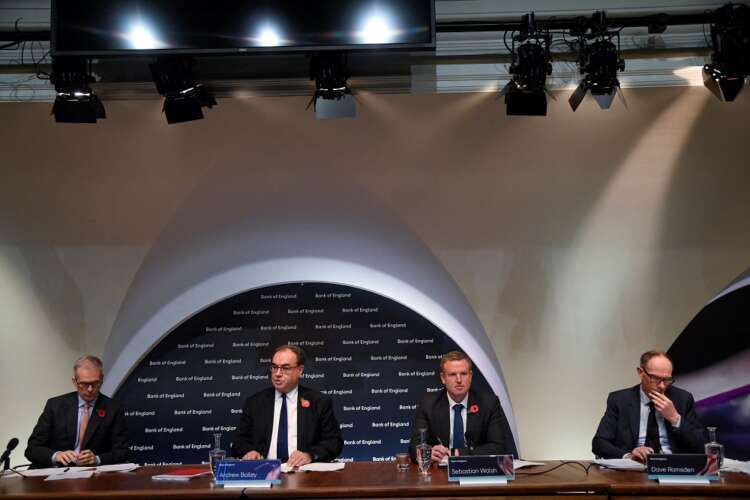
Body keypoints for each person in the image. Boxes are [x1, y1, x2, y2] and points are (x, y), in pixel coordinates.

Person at [232, 345, 343, 466]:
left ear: (300, 370)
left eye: (285, 368)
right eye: (274, 367)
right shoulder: (254, 403)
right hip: (264, 470)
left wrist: (309, 455)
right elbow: (239, 442)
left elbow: (334, 442)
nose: (278, 373)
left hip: (303, 472)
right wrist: (248, 452)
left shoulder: (319, 402)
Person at [592, 350, 706, 462]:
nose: (662, 386)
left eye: (667, 380)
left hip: (673, 465)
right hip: (634, 466)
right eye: (655, 379)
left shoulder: (683, 399)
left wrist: (675, 418)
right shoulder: (620, 400)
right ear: (640, 372)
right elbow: (599, 443)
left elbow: (702, 446)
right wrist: (629, 456)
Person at [409, 351, 516, 463]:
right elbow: (413, 447)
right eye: (452, 374)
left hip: (476, 468)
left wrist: (457, 453)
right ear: (443, 378)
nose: (459, 380)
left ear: (470, 376)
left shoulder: (489, 403)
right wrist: (428, 453)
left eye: (463, 374)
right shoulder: (428, 404)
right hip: (440, 469)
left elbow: (498, 447)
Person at [25, 355, 128, 468]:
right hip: (58, 471)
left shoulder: (114, 409)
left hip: (93, 473)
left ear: (102, 378)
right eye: (84, 384)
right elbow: (32, 449)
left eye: (95, 383)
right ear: (74, 381)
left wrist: (97, 459)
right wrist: (56, 455)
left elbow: (122, 452)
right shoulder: (55, 406)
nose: (90, 389)